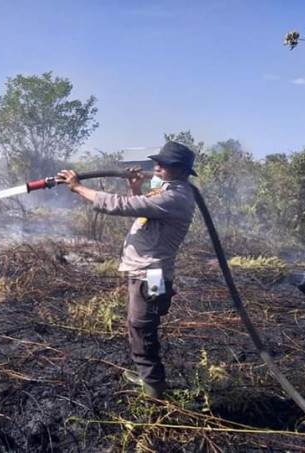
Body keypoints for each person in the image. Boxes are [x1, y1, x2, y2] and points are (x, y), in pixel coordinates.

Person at [56, 141, 197, 399]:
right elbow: (143, 212)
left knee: (142, 327)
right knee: (142, 324)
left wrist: (77, 188)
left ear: (179, 169)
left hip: (151, 274)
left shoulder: (174, 197)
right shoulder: (167, 191)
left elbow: (121, 205)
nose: (156, 166)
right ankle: (148, 379)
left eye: (162, 164)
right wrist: (135, 188)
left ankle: (154, 392)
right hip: (148, 272)